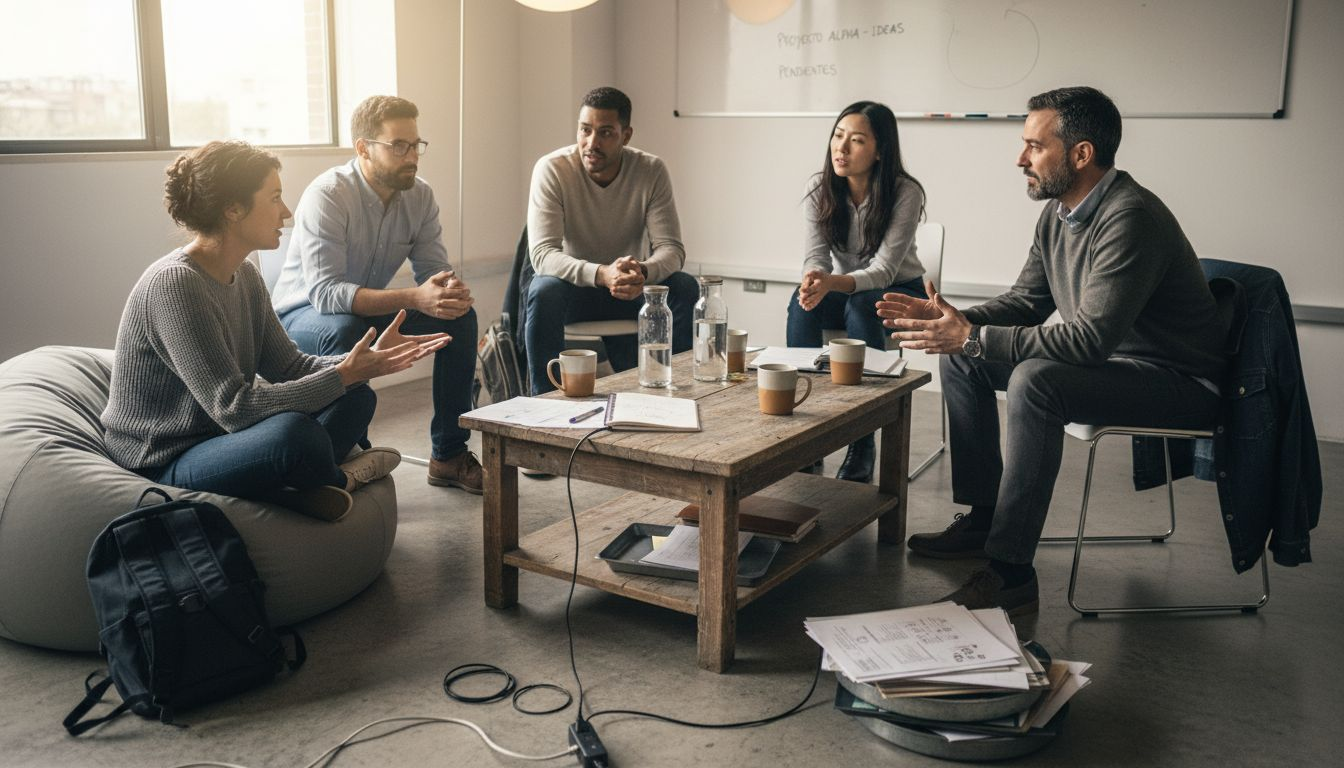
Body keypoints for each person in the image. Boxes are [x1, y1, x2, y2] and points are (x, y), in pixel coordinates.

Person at [877, 87, 1230, 615]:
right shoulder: (1059, 213)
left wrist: (972, 336)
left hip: (1178, 383)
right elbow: (1027, 301)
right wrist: (960, 323)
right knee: (962, 357)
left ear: (1081, 154)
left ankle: (1011, 571)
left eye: (1034, 147)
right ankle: (985, 518)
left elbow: (1088, 340)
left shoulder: (1129, 217)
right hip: (1120, 367)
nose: (1021, 159)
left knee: (1034, 381)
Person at [102, 141, 448, 522]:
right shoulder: (176, 285)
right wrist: (344, 373)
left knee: (357, 397)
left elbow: (290, 366)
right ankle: (335, 479)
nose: (286, 213)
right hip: (163, 459)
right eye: (275, 198)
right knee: (294, 436)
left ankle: (297, 486)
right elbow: (234, 408)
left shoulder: (246, 274)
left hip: (219, 440)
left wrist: (364, 364)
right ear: (233, 209)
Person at [271, 96, 483, 494]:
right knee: (346, 328)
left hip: (359, 309)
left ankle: (449, 455)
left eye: (415, 145)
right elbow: (326, 294)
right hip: (301, 316)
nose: (412, 157)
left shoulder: (420, 196)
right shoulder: (329, 194)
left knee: (459, 317)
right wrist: (416, 298)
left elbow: (432, 273)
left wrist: (447, 291)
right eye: (398, 146)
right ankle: (353, 451)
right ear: (363, 148)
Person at [525, 86, 698, 394]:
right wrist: (602, 274)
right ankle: (544, 398)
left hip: (632, 289)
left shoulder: (650, 170)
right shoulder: (552, 169)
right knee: (544, 289)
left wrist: (642, 271)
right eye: (585, 130)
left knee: (684, 286)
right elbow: (542, 255)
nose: (592, 143)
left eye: (605, 133)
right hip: (576, 290)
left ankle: (679, 390)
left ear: (626, 135)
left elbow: (672, 248)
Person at [789, 100, 928, 484]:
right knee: (800, 305)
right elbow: (815, 256)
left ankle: (862, 439)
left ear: (880, 150)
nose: (842, 148)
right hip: (846, 288)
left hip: (899, 290)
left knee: (863, 305)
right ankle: (803, 436)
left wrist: (832, 283)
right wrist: (815, 278)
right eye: (838, 136)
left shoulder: (906, 192)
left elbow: (883, 271)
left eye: (857, 140)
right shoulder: (818, 186)